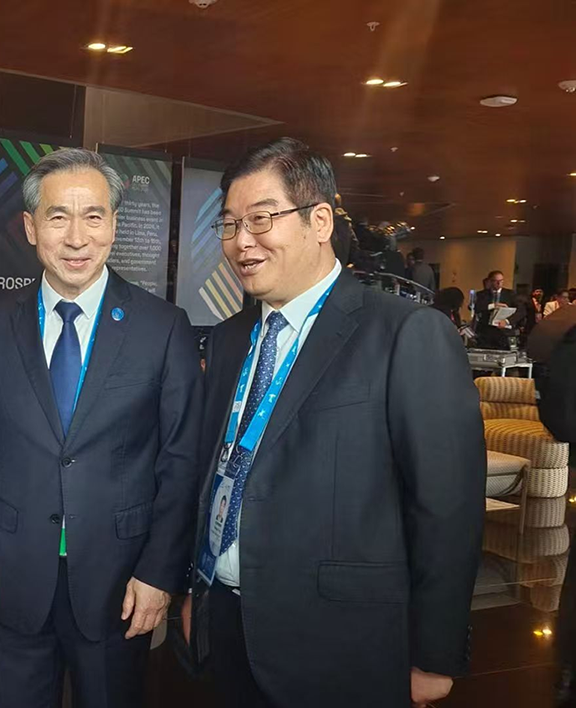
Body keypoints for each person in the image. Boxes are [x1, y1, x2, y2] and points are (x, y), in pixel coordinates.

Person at [181, 138, 485, 707]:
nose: (241, 241)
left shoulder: (404, 333)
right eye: (229, 224)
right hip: (228, 623)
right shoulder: (227, 340)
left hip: (343, 642)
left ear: (319, 220)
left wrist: (434, 653)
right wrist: (198, 587)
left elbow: (447, 508)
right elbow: (216, 469)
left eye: (261, 218)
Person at [0, 148, 203, 707]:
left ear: (113, 224)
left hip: (121, 581)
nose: (76, 237)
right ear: (30, 227)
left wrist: (160, 573)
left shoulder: (163, 328)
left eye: (93, 216)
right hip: (13, 574)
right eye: (58, 217)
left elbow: (181, 462)